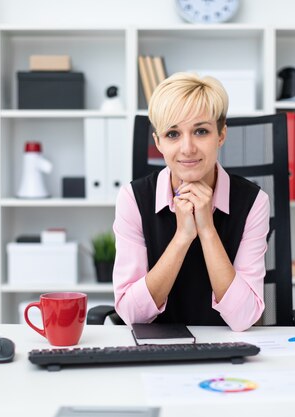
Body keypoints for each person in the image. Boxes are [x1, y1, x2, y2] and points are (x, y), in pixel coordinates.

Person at [112, 72, 269, 332]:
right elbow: (131, 314)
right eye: (173, 134)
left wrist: (206, 230)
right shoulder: (133, 199)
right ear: (158, 142)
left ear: (221, 135)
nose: (187, 148)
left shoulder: (254, 202)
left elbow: (244, 318)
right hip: (156, 351)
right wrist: (183, 236)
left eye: (200, 131)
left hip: (226, 348)